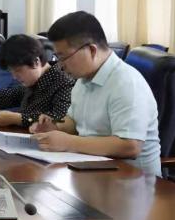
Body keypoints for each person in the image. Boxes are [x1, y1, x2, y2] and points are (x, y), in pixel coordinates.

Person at [29, 11, 161, 175]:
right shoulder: (83, 79)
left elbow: (130, 146)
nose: (60, 66)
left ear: (91, 50)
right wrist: (54, 126)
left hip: (133, 180)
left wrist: (68, 142)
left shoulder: (126, 82)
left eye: (64, 57)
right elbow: (75, 122)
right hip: (94, 171)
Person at [0, 34, 75, 128]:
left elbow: (60, 119)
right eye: (11, 72)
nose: (15, 77)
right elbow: (17, 93)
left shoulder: (64, 81)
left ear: (35, 62)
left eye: (18, 70)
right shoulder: (35, 80)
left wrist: (17, 119)